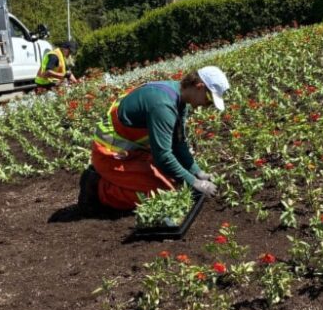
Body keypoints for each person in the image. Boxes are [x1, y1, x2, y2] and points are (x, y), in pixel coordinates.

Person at [78, 66, 228, 214]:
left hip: (133, 151)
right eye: (209, 99)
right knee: (159, 193)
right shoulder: (163, 106)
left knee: (175, 181)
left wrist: (198, 173)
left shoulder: (178, 97)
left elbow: (178, 143)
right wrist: (195, 183)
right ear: (199, 86)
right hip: (110, 154)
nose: (208, 105)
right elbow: (163, 156)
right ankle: (97, 187)